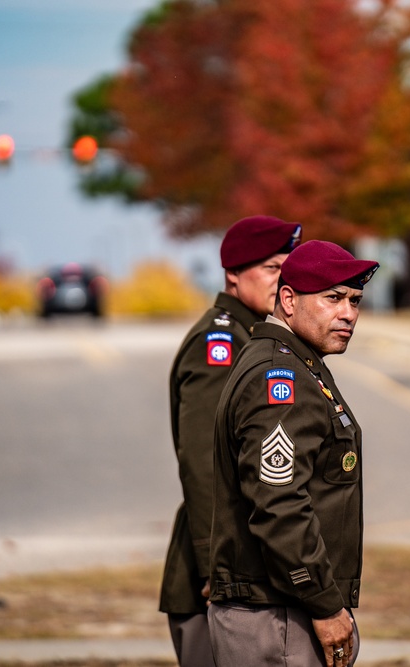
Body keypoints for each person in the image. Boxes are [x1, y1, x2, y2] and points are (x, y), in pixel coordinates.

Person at [208, 240, 378, 667]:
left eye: (355, 301)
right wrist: (324, 603)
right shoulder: (280, 379)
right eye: (333, 298)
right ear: (288, 300)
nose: (348, 314)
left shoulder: (291, 364)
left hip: (280, 611)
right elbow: (279, 503)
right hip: (277, 617)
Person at [159, 214, 302, 667]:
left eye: (289, 268)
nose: (284, 280)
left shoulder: (256, 336)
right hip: (217, 580)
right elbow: (203, 463)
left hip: (242, 572)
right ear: (233, 275)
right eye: (272, 268)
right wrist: (213, 567)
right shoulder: (220, 344)